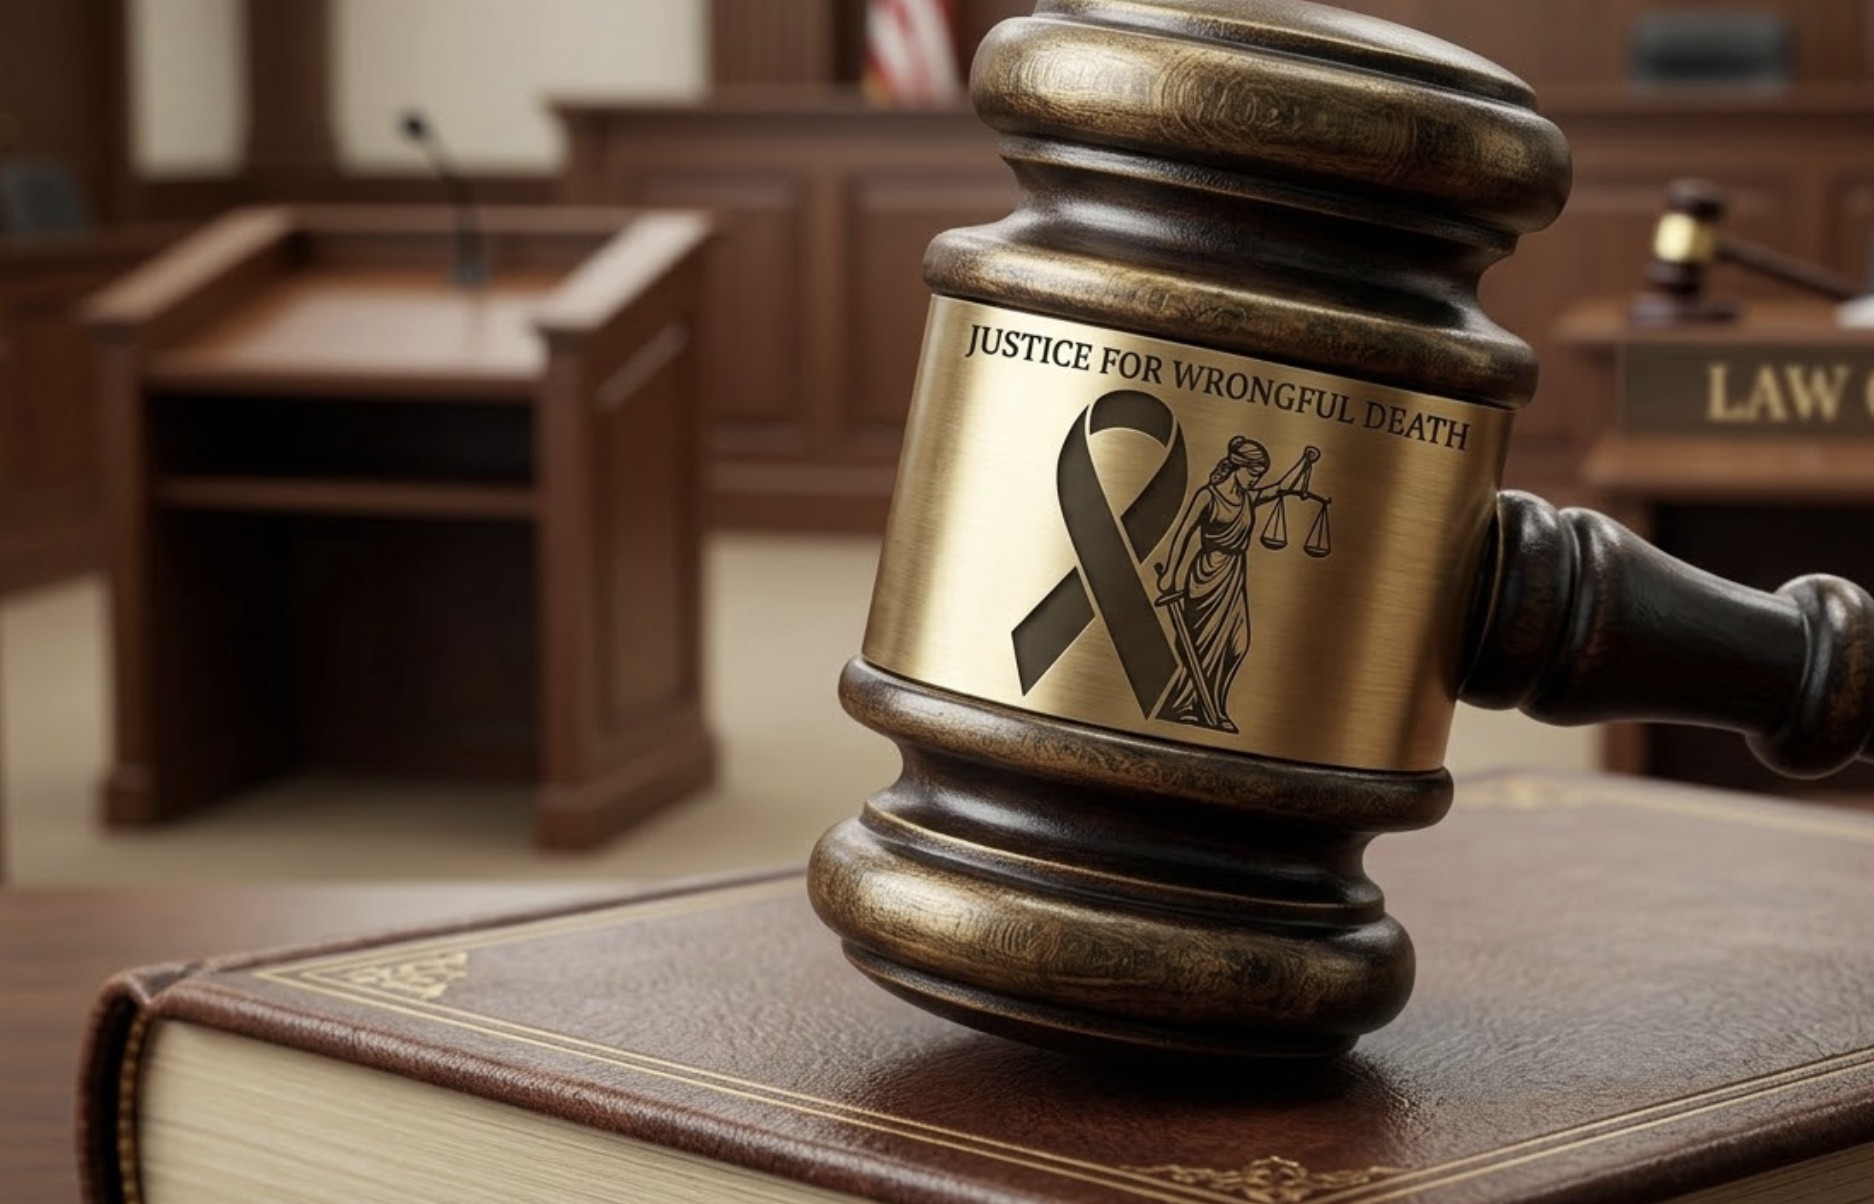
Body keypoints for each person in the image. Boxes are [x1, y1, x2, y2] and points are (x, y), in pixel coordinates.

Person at [1154, 437, 1319, 733]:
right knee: (1200, 644)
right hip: (1207, 574)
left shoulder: (1247, 498)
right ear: (1238, 467)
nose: (1256, 479)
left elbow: (1283, 487)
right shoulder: (1208, 496)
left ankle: (1214, 705)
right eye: (1253, 474)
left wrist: (1304, 462)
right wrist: (1170, 574)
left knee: (1237, 645)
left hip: (1233, 574)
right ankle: (1185, 707)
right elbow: (1182, 534)